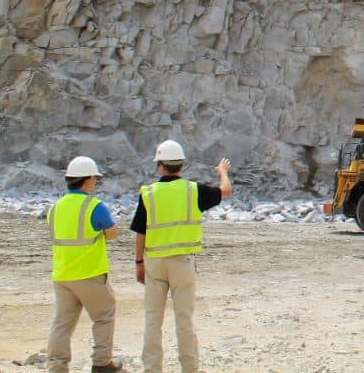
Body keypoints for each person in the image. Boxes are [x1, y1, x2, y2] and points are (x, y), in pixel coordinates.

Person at [130, 140, 232, 373]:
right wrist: (222, 173)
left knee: (152, 320)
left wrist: (138, 263)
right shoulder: (193, 190)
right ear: (181, 165)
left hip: (155, 263)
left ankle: (152, 368)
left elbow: (140, 231)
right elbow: (226, 191)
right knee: (184, 320)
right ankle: (189, 368)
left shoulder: (149, 194)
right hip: (182, 263)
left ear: (160, 165)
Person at [46, 156, 123, 373]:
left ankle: (57, 366)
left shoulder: (55, 208)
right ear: (88, 180)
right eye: (94, 179)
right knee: (104, 316)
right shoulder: (95, 206)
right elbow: (112, 234)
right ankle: (101, 363)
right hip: (90, 274)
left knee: (62, 323)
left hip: (62, 275)